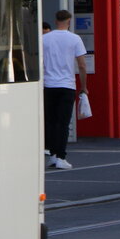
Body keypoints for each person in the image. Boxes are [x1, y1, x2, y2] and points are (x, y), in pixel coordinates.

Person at [43, 9, 88, 170]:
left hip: (48, 85)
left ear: (56, 21)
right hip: (67, 85)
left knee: (51, 122)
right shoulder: (75, 39)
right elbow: (82, 65)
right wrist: (84, 87)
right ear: (69, 21)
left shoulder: (45, 39)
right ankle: (61, 156)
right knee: (63, 123)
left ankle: (53, 155)